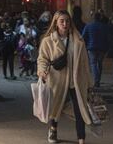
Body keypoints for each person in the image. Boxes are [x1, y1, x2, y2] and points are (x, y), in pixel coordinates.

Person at [37, 10, 94, 144]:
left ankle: (81, 138)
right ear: (56, 23)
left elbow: (85, 63)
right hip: (57, 80)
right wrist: (41, 71)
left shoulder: (78, 40)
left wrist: (89, 83)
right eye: (61, 21)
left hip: (76, 80)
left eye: (67, 21)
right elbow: (42, 59)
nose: (65, 23)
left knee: (80, 109)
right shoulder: (48, 41)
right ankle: (53, 130)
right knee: (55, 107)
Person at [82, 12, 109, 87]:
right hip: (102, 48)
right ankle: (98, 80)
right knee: (99, 63)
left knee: (93, 63)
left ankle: (96, 80)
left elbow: (83, 36)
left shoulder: (88, 26)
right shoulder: (104, 26)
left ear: (93, 18)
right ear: (100, 18)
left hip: (91, 47)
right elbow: (107, 37)